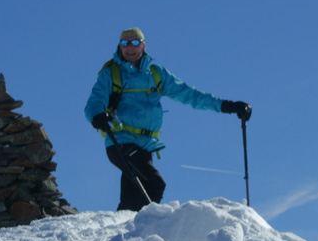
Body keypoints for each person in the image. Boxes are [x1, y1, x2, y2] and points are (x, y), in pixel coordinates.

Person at [84, 27, 251, 211]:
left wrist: (228, 106)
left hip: (146, 145)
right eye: (125, 43)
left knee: (133, 198)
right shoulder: (112, 73)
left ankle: (125, 234)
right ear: (120, 47)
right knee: (155, 184)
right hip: (121, 141)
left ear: (144, 46)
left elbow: (190, 95)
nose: (129, 47)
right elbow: (94, 102)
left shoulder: (156, 74)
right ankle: (142, 229)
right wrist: (97, 116)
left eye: (135, 42)